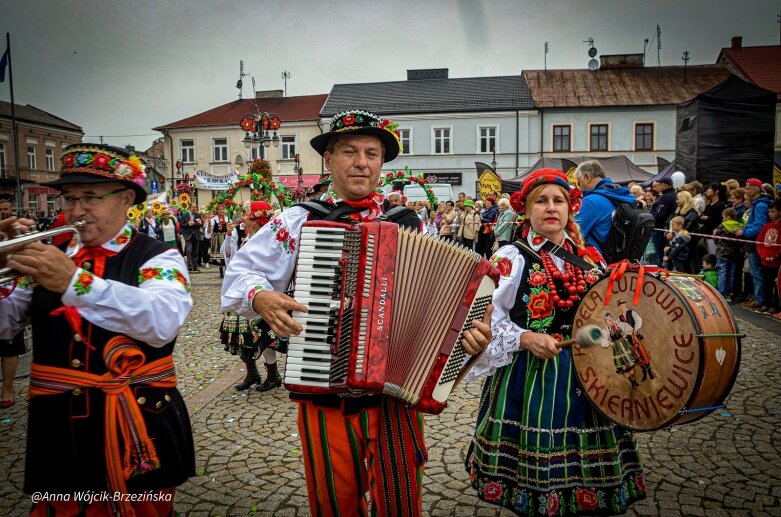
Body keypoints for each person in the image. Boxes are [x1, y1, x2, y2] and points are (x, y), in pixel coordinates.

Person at [222, 110, 492, 516]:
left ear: (382, 164)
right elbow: (240, 273)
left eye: (371, 153)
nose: (361, 162)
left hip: (394, 398)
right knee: (334, 502)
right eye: (349, 151)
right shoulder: (299, 219)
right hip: (324, 390)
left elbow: (447, 299)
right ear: (328, 160)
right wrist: (259, 295)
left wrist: (471, 338)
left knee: (401, 503)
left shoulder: (409, 223)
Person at [0, 143, 195, 515]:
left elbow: (161, 321)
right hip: (58, 430)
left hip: (138, 423)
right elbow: (5, 323)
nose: (76, 211)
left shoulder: (158, 256)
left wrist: (74, 282)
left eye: (90, 197)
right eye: (70, 199)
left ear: (126, 199)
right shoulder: (49, 253)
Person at [465, 168, 645, 515]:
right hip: (531, 379)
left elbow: (607, 313)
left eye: (558, 201)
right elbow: (486, 321)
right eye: (541, 201)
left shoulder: (590, 259)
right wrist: (526, 337)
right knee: (539, 467)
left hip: (588, 375)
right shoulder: (510, 259)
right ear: (526, 210)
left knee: (586, 465)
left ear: (570, 208)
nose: (551, 208)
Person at [219, 201, 281, 391]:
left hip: (257, 295)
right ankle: (252, 372)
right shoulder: (246, 237)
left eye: (245, 214)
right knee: (241, 335)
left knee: (263, 334)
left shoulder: (266, 239)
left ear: (255, 219)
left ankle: (273, 374)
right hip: (241, 293)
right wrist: (229, 237)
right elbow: (230, 260)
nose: (242, 217)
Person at [574, 160, 637, 256]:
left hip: (597, 260)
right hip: (619, 258)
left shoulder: (591, 201)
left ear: (587, 177)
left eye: (579, 183)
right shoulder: (620, 195)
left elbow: (574, 234)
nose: (579, 188)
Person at [736, 178, 772, 309]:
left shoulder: (760, 205)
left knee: (757, 272)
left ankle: (759, 300)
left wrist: (744, 232)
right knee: (754, 272)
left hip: (756, 241)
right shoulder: (757, 204)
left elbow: (759, 226)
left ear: (755, 189)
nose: (746, 190)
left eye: (748, 187)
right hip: (753, 241)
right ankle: (757, 298)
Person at [755, 199, 781, 314]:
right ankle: (766, 303)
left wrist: (775, 255)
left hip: (776, 261)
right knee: (767, 283)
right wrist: (762, 254)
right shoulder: (767, 226)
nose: (770, 214)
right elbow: (759, 240)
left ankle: (775, 306)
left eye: (773, 211)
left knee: (776, 284)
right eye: (769, 212)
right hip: (765, 260)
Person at [713, 207, 744, 301]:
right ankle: (729, 294)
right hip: (733, 253)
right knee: (731, 273)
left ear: (727, 217)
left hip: (722, 253)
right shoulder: (738, 226)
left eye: (723, 217)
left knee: (722, 272)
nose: (722, 219)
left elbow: (715, 237)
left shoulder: (722, 225)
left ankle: (721, 293)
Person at [651, 177, 677, 266]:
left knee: (660, 254)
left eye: (660, 185)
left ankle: (660, 273)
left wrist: (650, 220)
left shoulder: (666, 197)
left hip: (660, 229)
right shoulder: (674, 195)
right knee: (665, 254)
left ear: (665, 185)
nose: (659, 187)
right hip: (668, 228)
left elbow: (659, 215)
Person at [209, 204, 230, 278]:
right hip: (217, 238)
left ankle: (227, 270)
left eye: (222, 209)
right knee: (220, 257)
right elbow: (210, 231)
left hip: (226, 237)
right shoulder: (214, 219)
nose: (221, 211)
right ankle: (221, 271)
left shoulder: (227, 218)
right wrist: (209, 225)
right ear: (217, 211)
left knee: (227, 254)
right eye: (219, 209)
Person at [180, 207, 203, 272]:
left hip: (196, 235)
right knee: (189, 250)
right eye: (194, 207)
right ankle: (190, 266)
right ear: (190, 208)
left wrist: (194, 224)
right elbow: (182, 224)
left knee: (195, 251)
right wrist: (188, 224)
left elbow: (201, 224)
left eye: (195, 207)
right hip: (188, 235)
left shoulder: (198, 215)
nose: (195, 208)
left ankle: (195, 266)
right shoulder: (184, 215)